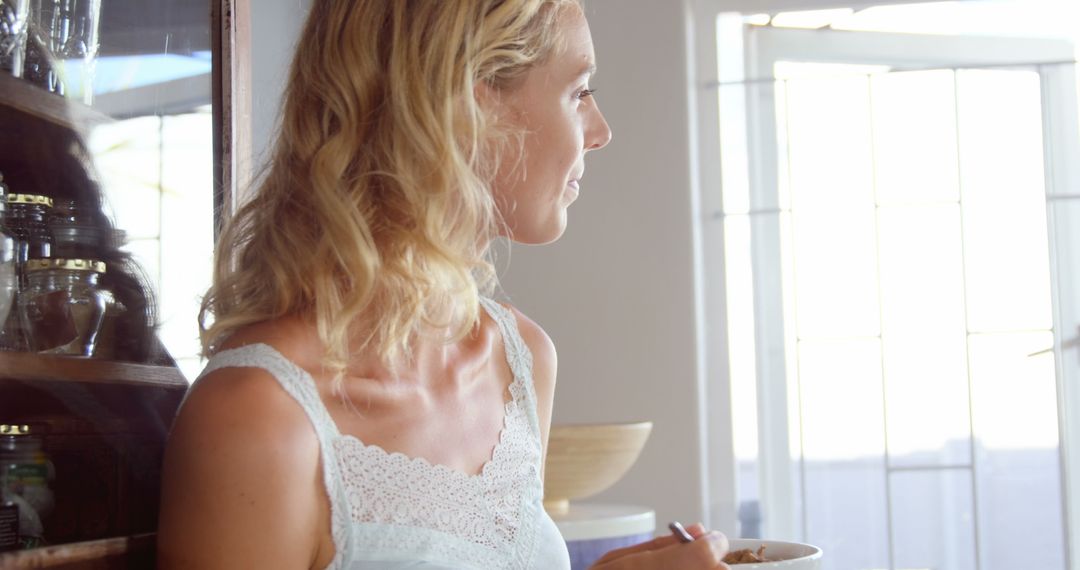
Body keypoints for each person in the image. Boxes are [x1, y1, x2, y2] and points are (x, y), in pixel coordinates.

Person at [157, 1, 732, 568]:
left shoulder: (521, 362)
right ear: (469, 97)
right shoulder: (257, 417)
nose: (600, 132)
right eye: (578, 91)